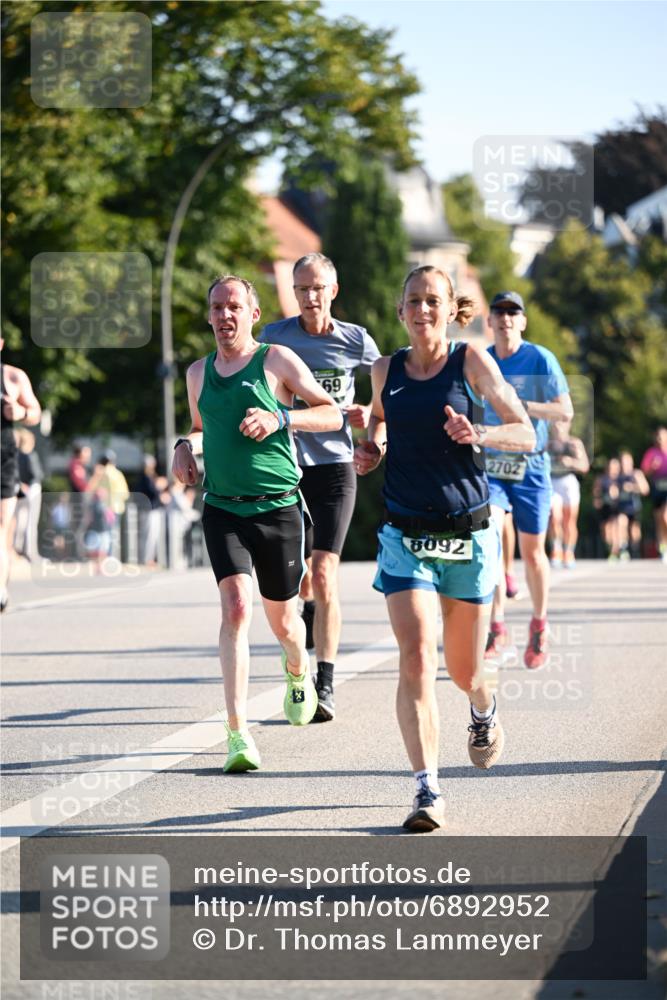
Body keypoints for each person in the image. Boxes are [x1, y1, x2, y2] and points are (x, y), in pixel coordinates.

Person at [354, 265, 534, 832]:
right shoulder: (385, 369)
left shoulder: (470, 361)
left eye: (433, 300)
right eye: (414, 300)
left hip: (467, 534)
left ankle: (483, 709)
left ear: (449, 307)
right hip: (405, 534)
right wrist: (372, 449)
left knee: (463, 671)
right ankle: (426, 789)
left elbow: (524, 430)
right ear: (401, 309)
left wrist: (479, 434)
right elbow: (380, 423)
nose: (423, 310)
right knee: (415, 656)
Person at [172, 274, 342, 773]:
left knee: (287, 623)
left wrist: (280, 419)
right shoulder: (197, 374)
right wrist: (185, 446)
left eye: (234, 307)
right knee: (236, 608)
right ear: (208, 316)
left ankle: (297, 668)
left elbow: (332, 414)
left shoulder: (277, 361)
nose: (225, 316)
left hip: (278, 507)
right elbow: (202, 429)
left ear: (252, 314)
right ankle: (237, 733)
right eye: (217, 307)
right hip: (224, 507)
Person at [259, 252, 381, 722]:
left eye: (317, 288)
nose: (310, 297)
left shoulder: (355, 340)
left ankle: (324, 683)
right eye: (301, 289)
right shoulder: (275, 338)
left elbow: (386, 388)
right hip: (287, 467)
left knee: (325, 571)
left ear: (334, 290)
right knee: (299, 580)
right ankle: (303, 641)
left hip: (334, 465)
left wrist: (372, 422)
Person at [482, 291, 572, 669]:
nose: (505, 318)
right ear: (490, 321)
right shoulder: (482, 360)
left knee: (533, 551)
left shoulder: (540, 359)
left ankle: (538, 623)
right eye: (499, 312)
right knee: (488, 537)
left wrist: (520, 406)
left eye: (512, 312)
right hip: (491, 466)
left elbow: (564, 411)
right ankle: (497, 628)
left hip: (531, 465)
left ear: (522, 321)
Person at [0, 338, 41, 611]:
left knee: (1, 528)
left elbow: (36, 413)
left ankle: (0, 590)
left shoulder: (13, 376)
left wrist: (20, 411)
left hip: (3, 460)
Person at [548, 417, 589, 568]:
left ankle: (569, 551)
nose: (558, 426)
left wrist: (570, 462)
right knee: (554, 517)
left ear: (569, 425)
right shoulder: (547, 444)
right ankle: (556, 549)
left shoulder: (574, 443)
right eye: (556, 422)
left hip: (568, 482)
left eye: (562, 422)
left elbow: (584, 467)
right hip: (552, 482)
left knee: (569, 520)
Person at [13, 428, 44, 562]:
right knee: (31, 522)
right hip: (32, 490)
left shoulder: (15, 455)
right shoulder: (30, 455)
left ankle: (16, 549)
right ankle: (30, 552)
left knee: (19, 521)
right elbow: (36, 475)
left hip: (19, 489)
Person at [640, 427, 667, 563]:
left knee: (665, 516)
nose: (660, 439)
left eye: (662, 437)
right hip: (657, 489)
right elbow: (644, 473)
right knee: (659, 520)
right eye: (658, 437)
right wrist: (652, 468)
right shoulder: (651, 453)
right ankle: (663, 548)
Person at [617, 449, 649, 560]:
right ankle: (623, 549)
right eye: (622, 462)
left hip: (634, 507)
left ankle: (635, 549)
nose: (624, 465)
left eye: (626, 462)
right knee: (622, 522)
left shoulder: (636, 474)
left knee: (634, 530)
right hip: (622, 507)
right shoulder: (617, 476)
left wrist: (632, 487)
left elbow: (645, 490)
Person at [593, 457, 621, 561]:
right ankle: (611, 548)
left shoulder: (620, 479)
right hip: (605, 507)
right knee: (605, 530)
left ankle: (616, 550)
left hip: (616, 507)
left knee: (615, 527)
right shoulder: (601, 479)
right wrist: (596, 500)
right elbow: (596, 490)